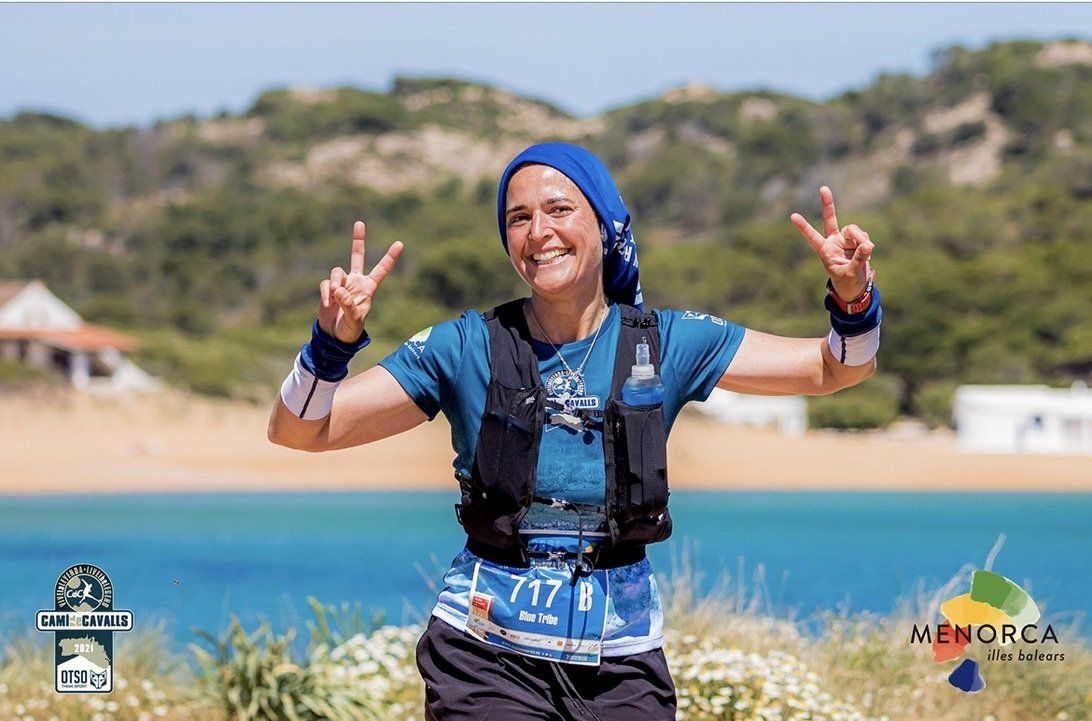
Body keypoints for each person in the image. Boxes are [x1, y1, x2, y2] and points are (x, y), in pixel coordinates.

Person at [268, 142, 881, 720]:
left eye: (559, 209)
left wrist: (853, 299)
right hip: (485, 654)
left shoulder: (668, 342)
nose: (538, 233)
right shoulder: (464, 346)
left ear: (606, 223)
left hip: (622, 658)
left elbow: (837, 369)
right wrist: (332, 344)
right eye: (518, 217)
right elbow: (299, 433)